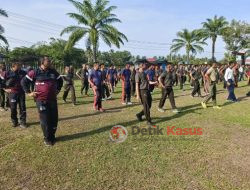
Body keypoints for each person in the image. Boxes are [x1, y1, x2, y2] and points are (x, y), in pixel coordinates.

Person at [21, 56, 63, 146]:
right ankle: (47, 139)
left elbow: (60, 80)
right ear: (42, 62)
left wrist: (58, 90)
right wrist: (29, 93)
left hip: (52, 100)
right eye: (48, 60)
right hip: (41, 101)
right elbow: (23, 82)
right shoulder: (34, 72)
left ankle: (52, 136)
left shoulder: (53, 71)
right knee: (45, 120)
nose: (50, 61)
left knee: (54, 119)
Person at [3, 61, 27, 128]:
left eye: (20, 66)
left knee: (22, 107)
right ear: (13, 67)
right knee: (13, 108)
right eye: (18, 66)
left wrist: (27, 89)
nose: (19, 67)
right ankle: (14, 121)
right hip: (12, 93)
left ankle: (23, 122)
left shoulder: (23, 72)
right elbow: (2, 82)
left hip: (21, 92)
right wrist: (5, 89)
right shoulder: (7, 73)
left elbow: (27, 80)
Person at [135, 62, 157, 126]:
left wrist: (155, 82)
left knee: (149, 105)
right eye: (144, 64)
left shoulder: (144, 73)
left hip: (147, 90)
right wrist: (138, 95)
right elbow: (137, 85)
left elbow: (148, 82)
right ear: (141, 66)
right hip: (142, 91)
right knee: (146, 106)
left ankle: (139, 115)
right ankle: (148, 121)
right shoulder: (137, 74)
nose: (146, 65)